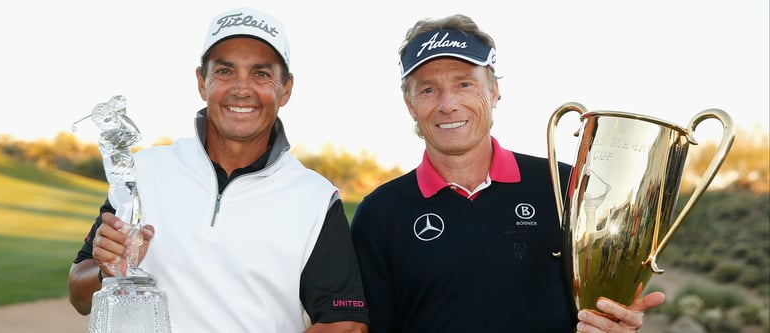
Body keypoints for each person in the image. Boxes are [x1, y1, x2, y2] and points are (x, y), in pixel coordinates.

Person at [349, 14, 665, 333]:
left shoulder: (565, 187)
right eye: (428, 89)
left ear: (494, 91)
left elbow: (596, 305)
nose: (448, 104)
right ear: (409, 103)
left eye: (464, 84)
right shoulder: (378, 215)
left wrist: (612, 322)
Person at [67, 7, 369, 332]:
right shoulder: (143, 172)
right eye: (225, 71)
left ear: (286, 88)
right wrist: (106, 272)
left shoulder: (315, 199)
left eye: (261, 74)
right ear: (202, 81)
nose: (241, 89)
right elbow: (79, 293)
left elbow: (346, 324)